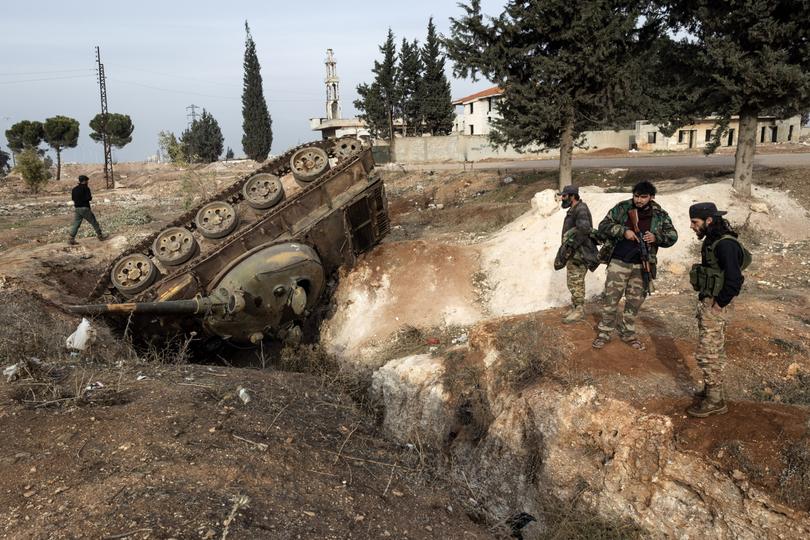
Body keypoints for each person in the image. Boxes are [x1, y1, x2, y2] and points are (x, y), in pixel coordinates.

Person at [592, 181, 678, 350]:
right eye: (636, 196)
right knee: (611, 299)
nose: (639, 200)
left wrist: (656, 237)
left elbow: (672, 236)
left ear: (651, 197)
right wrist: (623, 231)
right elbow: (603, 226)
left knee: (634, 301)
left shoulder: (660, 215)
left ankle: (628, 333)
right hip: (619, 261)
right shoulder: (622, 208)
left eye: (643, 197)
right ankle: (604, 333)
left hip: (642, 265)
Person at [686, 202, 750, 417]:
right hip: (710, 301)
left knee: (708, 353)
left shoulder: (725, 244)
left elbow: (735, 280)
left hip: (716, 304)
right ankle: (711, 390)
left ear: (709, 221)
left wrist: (717, 305)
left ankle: (715, 401)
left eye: (695, 222)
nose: (692, 226)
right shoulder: (713, 240)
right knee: (713, 350)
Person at [557, 185, 597, 323]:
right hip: (574, 253)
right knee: (572, 281)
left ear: (572, 196)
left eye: (564, 196)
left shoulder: (581, 209)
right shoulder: (574, 209)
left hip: (580, 254)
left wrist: (571, 246)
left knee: (576, 281)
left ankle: (579, 310)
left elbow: (584, 230)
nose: (562, 198)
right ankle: (575, 306)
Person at [68, 174, 107, 245]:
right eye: (87, 181)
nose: (87, 182)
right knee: (94, 222)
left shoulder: (74, 189)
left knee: (76, 224)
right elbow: (89, 198)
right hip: (85, 208)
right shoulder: (86, 188)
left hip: (77, 208)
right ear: (85, 181)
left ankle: (71, 239)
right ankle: (100, 236)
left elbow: (73, 199)